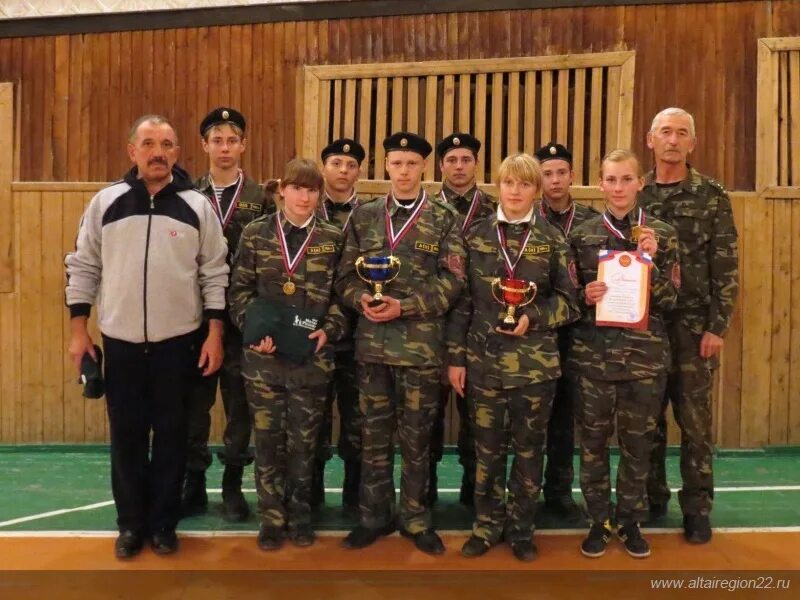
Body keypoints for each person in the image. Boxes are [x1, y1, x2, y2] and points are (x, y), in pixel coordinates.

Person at [64, 114, 229, 558]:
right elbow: (82, 267)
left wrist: (215, 334)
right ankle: (131, 524)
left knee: (174, 437)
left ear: (178, 153)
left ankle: (163, 524)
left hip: (181, 344)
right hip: (120, 344)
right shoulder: (106, 203)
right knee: (128, 437)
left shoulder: (197, 208)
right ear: (132, 151)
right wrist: (79, 331)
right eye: (149, 143)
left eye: (168, 144)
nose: (159, 152)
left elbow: (215, 274)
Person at [336, 132, 466, 555]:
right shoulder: (365, 217)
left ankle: (414, 517)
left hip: (421, 351)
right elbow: (343, 280)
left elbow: (454, 281)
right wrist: (363, 301)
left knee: (416, 440)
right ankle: (374, 516)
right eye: (397, 163)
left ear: (423, 167)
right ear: (386, 166)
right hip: (372, 347)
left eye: (412, 163)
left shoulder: (444, 218)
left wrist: (405, 306)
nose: (404, 171)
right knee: (371, 437)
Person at [448, 152, 579, 561]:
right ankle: (487, 526)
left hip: (535, 367)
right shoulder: (476, 237)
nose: (516, 191)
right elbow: (462, 303)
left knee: (528, 452)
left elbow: (571, 302)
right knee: (485, 452)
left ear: (536, 191)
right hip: (484, 365)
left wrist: (533, 318)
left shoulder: (554, 239)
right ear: (498, 187)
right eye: (509, 183)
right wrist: (456, 359)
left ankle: (521, 529)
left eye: (525, 184)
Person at [228, 158, 348, 550]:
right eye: (297, 188)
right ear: (282, 190)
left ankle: (300, 516)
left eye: (312, 190)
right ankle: (271, 519)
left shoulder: (333, 237)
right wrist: (253, 331)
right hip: (264, 363)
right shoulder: (256, 234)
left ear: (319, 194)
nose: (304, 196)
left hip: (311, 363)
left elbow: (341, 297)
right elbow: (239, 291)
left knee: (304, 444)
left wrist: (329, 331)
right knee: (267, 443)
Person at [567, 149, 680, 559]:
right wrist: (584, 295)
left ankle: (629, 520)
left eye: (626, 179)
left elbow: (671, 299)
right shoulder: (580, 234)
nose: (618, 187)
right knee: (593, 446)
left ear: (640, 183)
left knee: (638, 447)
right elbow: (567, 297)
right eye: (610, 180)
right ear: (600, 185)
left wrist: (652, 260)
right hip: (592, 360)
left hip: (644, 360)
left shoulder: (662, 233)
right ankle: (599, 521)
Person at [639, 108, 739, 544]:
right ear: (650, 139)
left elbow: (727, 267)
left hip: (695, 329)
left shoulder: (711, 196)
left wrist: (717, 327)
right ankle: (652, 495)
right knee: (647, 419)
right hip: (644, 328)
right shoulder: (634, 193)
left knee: (696, 425)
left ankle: (697, 508)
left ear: (692, 143)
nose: (673, 140)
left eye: (682, 133)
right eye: (666, 132)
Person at [182, 107, 273, 522]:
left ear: (243, 146)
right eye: (216, 140)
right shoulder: (185, 195)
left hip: (241, 322)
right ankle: (194, 481)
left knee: (240, 406)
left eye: (231, 140)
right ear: (204, 145)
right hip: (193, 318)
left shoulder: (262, 199)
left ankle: (233, 485)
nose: (224, 148)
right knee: (193, 405)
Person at [532, 142, 599, 522]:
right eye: (547, 173)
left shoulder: (592, 223)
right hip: (536, 334)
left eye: (561, 172)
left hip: (580, 337)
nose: (555, 180)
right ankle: (525, 489)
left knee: (565, 418)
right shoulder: (526, 220)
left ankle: (559, 492)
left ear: (572, 176)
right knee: (532, 420)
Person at [430, 132, 496, 506]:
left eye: (466, 159)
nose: (458, 166)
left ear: (476, 165)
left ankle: (476, 492)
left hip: (479, 330)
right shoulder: (423, 209)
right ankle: (427, 490)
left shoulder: (494, 209)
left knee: (477, 417)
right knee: (426, 416)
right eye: (451, 159)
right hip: (431, 328)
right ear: (441, 165)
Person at [311, 138, 366, 515]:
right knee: (311, 420)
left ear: (359, 171)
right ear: (324, 168)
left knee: (358, 420)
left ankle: (354, 497)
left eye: (350, 164)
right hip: (311, 332)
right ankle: (310, 496)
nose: (343, 170)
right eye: (336, 163)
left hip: (361, 334)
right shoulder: (304, 208)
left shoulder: (373, 214)